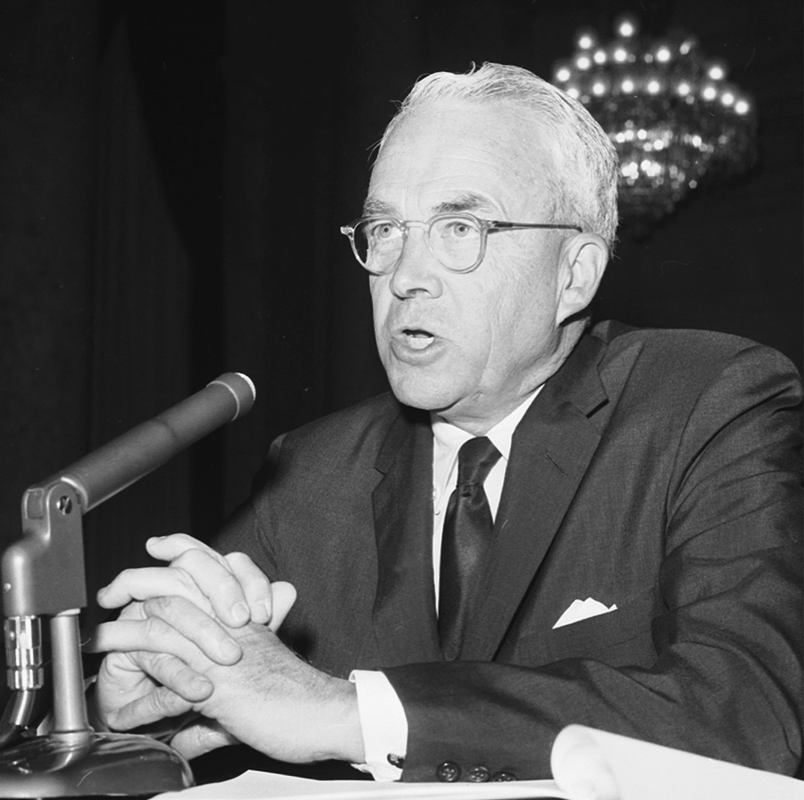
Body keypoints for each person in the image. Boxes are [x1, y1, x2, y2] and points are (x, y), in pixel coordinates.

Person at [88, 63, 803, 782]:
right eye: (385, 229)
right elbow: (205, 695)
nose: (404, 275)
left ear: (574, 274)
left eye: (460, 226)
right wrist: (135, 701)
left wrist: (348, 713)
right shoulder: (311, 474)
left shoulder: (706, 405)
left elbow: (750, 716)